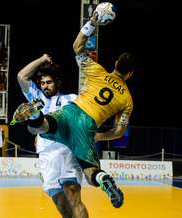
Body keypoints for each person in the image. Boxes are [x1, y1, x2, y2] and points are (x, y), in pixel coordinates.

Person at [12, 11, 136, 208]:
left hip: (73, 112)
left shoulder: (97, 72)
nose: (45, 86)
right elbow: (119, 131)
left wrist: (93, 21)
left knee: (45, 124)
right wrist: (98, 137)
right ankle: (102, 177)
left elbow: (77, 47)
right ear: (130, 74)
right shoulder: (127, 100)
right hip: (88, 127)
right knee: (90, 170)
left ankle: (35, 115)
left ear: (115, 64)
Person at [17, 54, 88, 217]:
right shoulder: (37, 99)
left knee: (72, 195)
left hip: (67, 151)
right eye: (42, 83)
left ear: (58, 82)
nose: (45, 86)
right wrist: (42, 59)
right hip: (46, 156)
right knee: (61, 205)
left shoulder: (72, 99)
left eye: (48, 82)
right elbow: (21, 76)